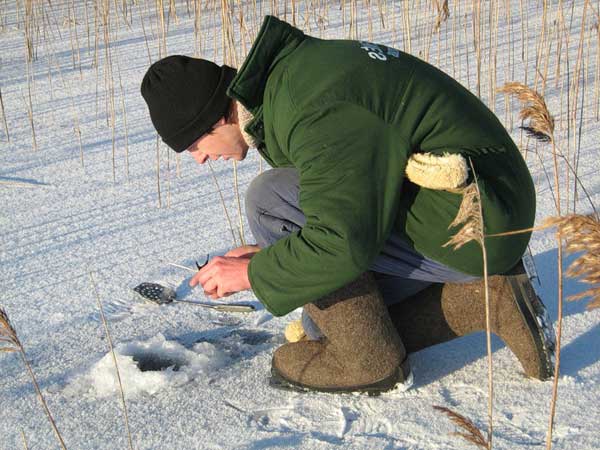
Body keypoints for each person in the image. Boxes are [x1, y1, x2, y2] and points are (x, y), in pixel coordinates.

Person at [141, 15, 555, 394]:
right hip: (479, 211)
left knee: (268, 199)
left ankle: (369, 364)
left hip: (473, 218)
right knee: (322, 319)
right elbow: (349, 192)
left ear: (216, 118)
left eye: (194, 145)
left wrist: (255, 271)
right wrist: (272, 255)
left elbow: (343, 240)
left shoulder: (311, 107)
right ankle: (491, 300)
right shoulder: (292, 84)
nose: (200, 158)